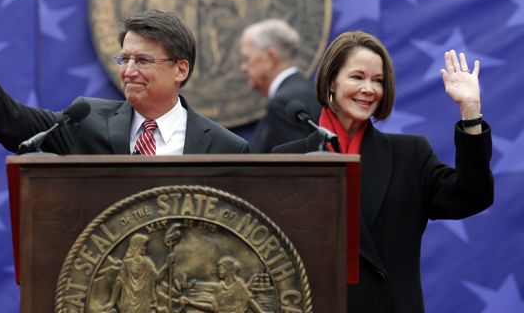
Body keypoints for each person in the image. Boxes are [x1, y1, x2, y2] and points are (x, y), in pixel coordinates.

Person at [273, 31, 494, 312]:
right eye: (357, 77)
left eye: (378, 81)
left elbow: (472, 195)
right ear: (330, 81)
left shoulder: (410, 155)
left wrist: (470, 111)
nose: (369, 89)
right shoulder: (288, 158)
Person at [0, 0, 248, 155]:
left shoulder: (226, 148)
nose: (129, 71)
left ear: (180, 69)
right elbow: (5, 120)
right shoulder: (86, 122)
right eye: (125, 59)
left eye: (143, 61)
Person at [240, 19, 322, 153]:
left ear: (270, 57)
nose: (243, 68)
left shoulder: (283, 103)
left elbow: (295, 166)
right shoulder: (307, 91)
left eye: (246, 59)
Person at [99, 234, 173, 313]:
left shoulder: (147, 263)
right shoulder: (127, 263)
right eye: (143, 245)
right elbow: (119, 282)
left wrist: (166, 266)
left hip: (144, 302)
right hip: (128, 303)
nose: (145, 248)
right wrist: (112, 302)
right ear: (136, 246)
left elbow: (157, 279)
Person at [179, 256, 265, 313]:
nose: (218, 271)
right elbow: (212, 308)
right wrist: (190, 302)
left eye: (222, 268)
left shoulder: (239, 285)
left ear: (229, 269)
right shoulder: (219, 287)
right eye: (218, 268)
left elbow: (249, 301)